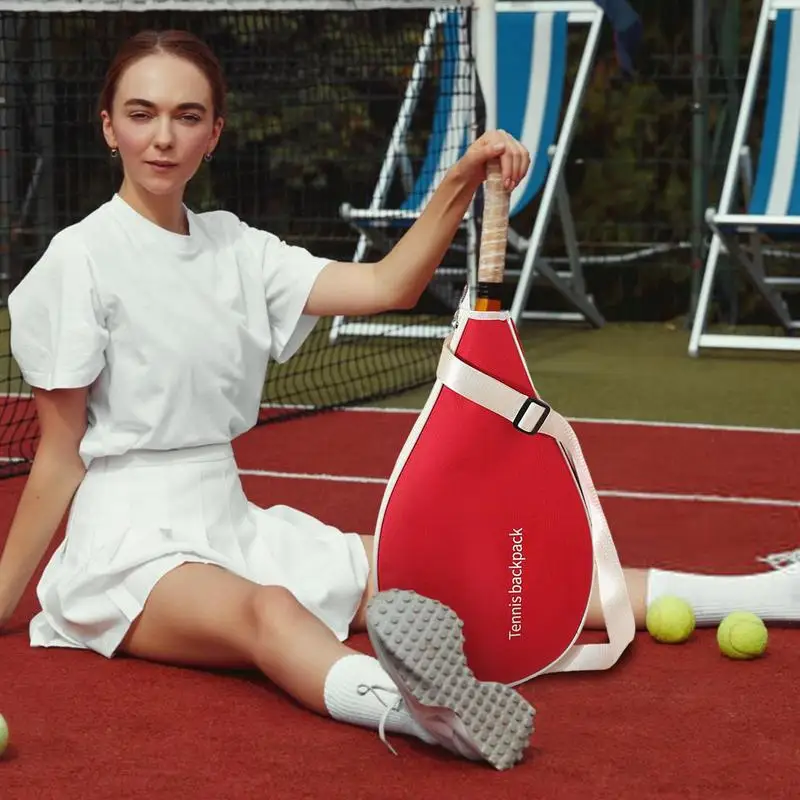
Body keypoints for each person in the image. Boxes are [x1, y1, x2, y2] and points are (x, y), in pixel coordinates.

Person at [0, 29, 796, 772]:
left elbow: (387, 284)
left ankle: (767, 593)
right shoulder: (80, 260)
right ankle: (426, 716)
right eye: (141, 115)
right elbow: (62, 457)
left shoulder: (237, 248)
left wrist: (459, 179)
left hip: (230, 517)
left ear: (215, 132)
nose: (162, 137)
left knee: (464, 568)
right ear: (109, 127)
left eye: (187, 116)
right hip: (128, 547)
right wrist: (5, 598)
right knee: (270, 613)